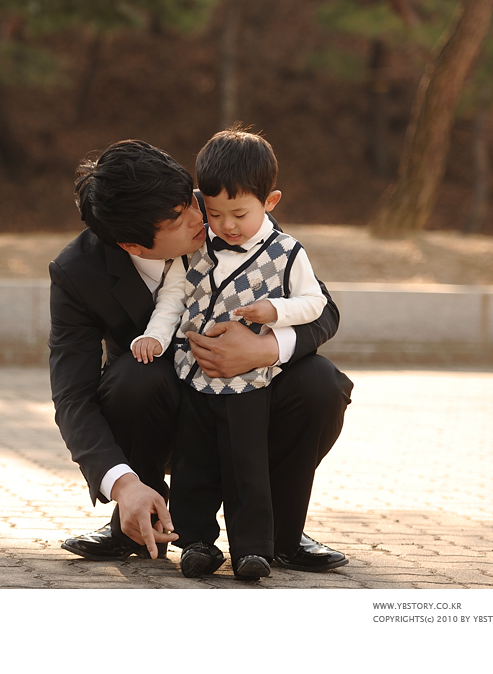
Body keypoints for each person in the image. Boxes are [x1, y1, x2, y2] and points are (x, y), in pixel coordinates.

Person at [49, 138, 353, 572]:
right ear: (133, 245)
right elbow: (72, 396)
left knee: (320, 382)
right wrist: (121, 484)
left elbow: (323, 308)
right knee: (133, 379)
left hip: (253, 400)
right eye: (178, 217)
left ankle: (281, 532)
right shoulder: (79, 273)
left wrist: (265, 348)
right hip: (165, 415)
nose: (200, 218)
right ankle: (136, 520)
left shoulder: (226, 207)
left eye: (190, 201)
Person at [129, 127, 330, 579]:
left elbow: (315, 302)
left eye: (239, 213)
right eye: (215, 213)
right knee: (193, 462)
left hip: (249, 382)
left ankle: (252, 548)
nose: (227, 226)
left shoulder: (287, 253)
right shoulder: (194, 248)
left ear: (270, 202)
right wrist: (155, 337)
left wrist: (275, 311)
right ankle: (196, 542)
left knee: (246, 464)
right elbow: (172, 299)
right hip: (194, 375)